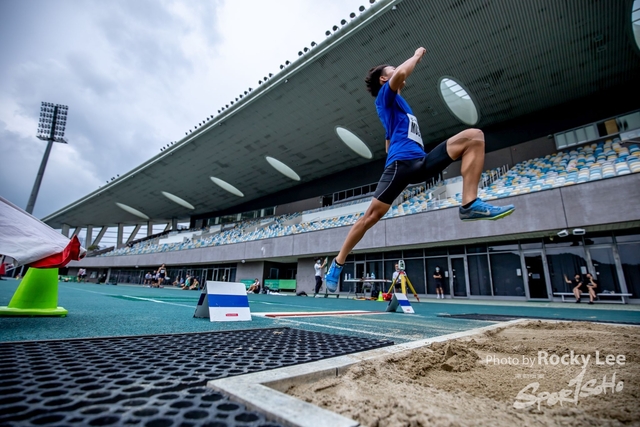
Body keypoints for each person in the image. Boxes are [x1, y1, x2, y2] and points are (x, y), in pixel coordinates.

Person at [325, 47, 515, 290]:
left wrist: (392, 141)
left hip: (421, 163)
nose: (397, 71)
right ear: (384, 79)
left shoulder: (399, 105)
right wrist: (416, 56)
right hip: (401, 166)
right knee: (371, 217)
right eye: (392, 70)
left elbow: (388, 137)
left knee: (474, 137)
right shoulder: (384, 95)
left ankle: (469, 204)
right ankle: (338, 263)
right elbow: (401, 74)